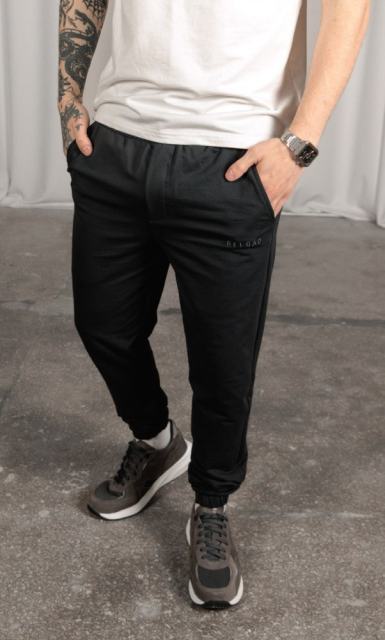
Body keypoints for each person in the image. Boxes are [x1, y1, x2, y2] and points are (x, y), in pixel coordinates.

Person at [58, 0, 370, 608]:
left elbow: (348, 8)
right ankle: (157, 441)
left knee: (224, 362)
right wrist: (69, 98)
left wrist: (299, 145)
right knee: (103, 325)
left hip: (232, 155)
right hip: (117, 143)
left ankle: (211, 504)